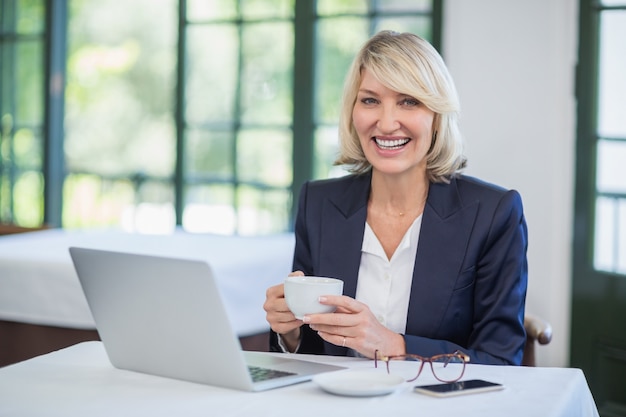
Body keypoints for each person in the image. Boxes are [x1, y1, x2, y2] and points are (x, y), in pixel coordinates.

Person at [263, 30, 528, 365]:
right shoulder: (318, 204)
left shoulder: (493, 214)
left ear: (436, 117)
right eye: (370, 100)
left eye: (409, 101)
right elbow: (316, 354)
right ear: (352, 112)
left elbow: (500, 360)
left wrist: (394, 345)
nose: (386, 123)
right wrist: (289, 331)